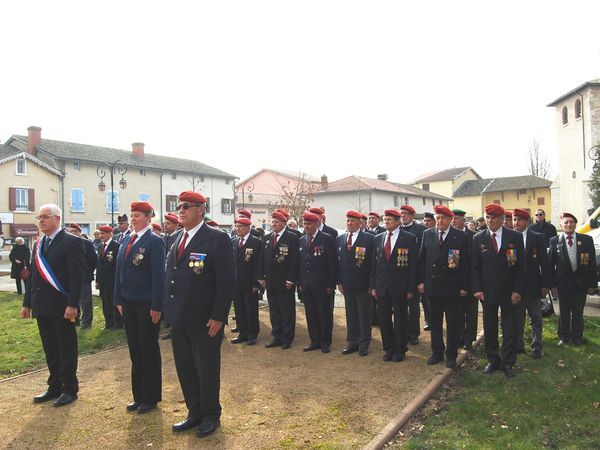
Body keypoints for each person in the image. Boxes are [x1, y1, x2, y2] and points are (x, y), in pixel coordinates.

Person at [165, 191, 235, 438]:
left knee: (206, 368)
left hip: (204, 320)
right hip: (179, 317)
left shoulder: (216, 238)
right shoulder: (177, 238)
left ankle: (211, 414)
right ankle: (194, 411)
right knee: (185, 368)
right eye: (179, 206)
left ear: (200, 210)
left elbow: (227, 281)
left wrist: (219, 316)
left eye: (186, 206)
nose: (180, 210)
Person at [22, 204, 85, 407]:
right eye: (39, 217)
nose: (41, 221)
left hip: (63, 305)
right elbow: (33, 276)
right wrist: (27, 303)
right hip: (42, 305)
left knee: (65, 347)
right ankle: (54, 385)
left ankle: (69, 388)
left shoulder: (71, 242)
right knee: (50, 347)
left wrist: (73, 305)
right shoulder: (39, 244)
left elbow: (77, 277)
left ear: (57, 218)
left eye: (45, 217)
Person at [114, 201, 165, 414]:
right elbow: (120, 271)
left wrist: (157, 305)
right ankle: (138, 395)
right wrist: (118, 298)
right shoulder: (126, 239)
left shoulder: (154, 241)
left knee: (148, 349)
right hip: (128, 302)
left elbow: (158, 276)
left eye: (137, 215)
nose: (133, 219)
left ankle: (150, 397)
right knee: (135, 350)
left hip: (146, 304)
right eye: (132, 215)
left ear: (148, 217)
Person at [472, 204, 526, 377]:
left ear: (502, 219)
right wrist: (477, 289)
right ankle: (493, 360)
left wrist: (518, 289)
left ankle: (508, 362)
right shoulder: (478, 238)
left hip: (509, 291)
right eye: (487, 217)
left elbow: (521, 266)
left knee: (509, 327)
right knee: (490, 327)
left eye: (494, 217)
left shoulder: (515, 237)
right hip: (487, 292)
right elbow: (475, 267)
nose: (490, 221)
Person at [418, 206, 470, 368]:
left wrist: (464, 286)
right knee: (435, 323)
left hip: (452, 288)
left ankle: (451, 354)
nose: (440, 221)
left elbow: (466, 264)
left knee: (453, 323)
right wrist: (420, 282)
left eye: (443, 218)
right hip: (432, 287)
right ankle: (437, 352)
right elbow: (421, 260)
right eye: (437, 218)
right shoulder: (427, 234)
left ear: (450, 220)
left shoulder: (460, 236)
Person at [370, 209, 418, 362]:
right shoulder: (378, 238)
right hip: (382, 286)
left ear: (398, 221)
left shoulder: (409, 238)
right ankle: (388, 348)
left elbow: (413, 266)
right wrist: (373, 286)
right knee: (383, 319)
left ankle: (400, 349)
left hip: (400, 286)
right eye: (385, 219)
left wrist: (411, 288)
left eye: (389, 219)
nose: (386, 222)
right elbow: (374, 264)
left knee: (400, 320)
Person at [548, 212, 597, 346]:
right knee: (563, 312)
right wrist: (552, 286)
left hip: (581, 283)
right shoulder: (555, 241)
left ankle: (577, 337)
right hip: (562, 284)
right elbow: (550, 266)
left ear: (575, 224)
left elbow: (592, 263)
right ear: (561, 225)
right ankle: (564, 337)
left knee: (578, 312)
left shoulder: (586, 240)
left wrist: (592, 284)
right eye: (566, 222)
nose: (569, 224)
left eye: (571, 222)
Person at [512, 209, 551, 358]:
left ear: (527, 222)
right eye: (514, 220)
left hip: (533, 285)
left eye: (519, 220)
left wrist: (545, 284)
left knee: (535, 318)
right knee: (517, 318)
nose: (516, 223)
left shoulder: (537, 237)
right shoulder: (509, 237)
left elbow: (544, 263)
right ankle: (518, 345)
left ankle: (537, 347)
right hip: (515, 287)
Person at [258, 211, 299, 349]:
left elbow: (295, 261)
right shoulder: (267, 238)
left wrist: (291, 280)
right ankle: (277, 335)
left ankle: (287, 338)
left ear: (283, 223)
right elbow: (262, 259)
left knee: (286, 310)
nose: (273, 224)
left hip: (285, 281)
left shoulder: (292, 238)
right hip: (270, 281)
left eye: (276, 222)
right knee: (274, 310)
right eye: (272, 222)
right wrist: (261, 277)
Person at [337, 210, 375, 356]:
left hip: (363, 284)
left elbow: (373, 264)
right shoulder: (340, 239)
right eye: (347, 220)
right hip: (347, 285)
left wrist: (371, 284)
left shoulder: (369, 239)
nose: (349, 223)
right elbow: (338, 263)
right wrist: (339, 281)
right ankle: (352, 341)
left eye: (353, 221)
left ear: (360, 223)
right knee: (351, 315)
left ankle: (364, 343)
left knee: (364, 315)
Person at [298, 212, 337, 353]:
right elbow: (300, 264)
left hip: (322, 285)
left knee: (324, 314)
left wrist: (331, 284)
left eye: (309, 224)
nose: (306, 226)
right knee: (311, 314)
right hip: (307, 285)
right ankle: (314, 340)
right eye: (304, 223)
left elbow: (332, 264)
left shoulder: (326, 239)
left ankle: (325, 342)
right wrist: (300, 284)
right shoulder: (301, 240)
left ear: (315, 224)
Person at [231, 217, 262, 345]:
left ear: (248, 227)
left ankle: (252, 334)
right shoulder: (234, 241)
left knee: (250, 309)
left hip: (250, 283)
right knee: (239, 309)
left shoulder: (256, 242)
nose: (238, 229)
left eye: (241, 226)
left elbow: (258, 264)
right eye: (237, 227)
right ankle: (242, 333)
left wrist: (256, 283)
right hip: (236, 282)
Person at [399, 204, 427, 345]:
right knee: (399, 307)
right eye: (401, 213)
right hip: (399, 275)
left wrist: (421, 278)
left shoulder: (421, 230)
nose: (403, 216)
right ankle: (402, 332)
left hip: (414, 273)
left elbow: (423, 255)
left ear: (412, 215)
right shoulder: (396, 229)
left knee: (413, 306)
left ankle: (413, 333)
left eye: (406, 213)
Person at [451, 208, 478, 350]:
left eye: (457, 219)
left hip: (472, 280)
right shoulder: (451, 236)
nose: (454, 221)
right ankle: (460, 337)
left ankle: (469, 339)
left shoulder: (474, 236)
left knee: (471, 313)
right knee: (457, 312)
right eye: (453, 218)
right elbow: (453, 262)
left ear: (464, 220)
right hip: (456, 280)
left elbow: (475, 262)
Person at [68, 223, 97, 329]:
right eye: (71, 231)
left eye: (75, 231)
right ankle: (75, 319)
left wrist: (88, 271)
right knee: (73, 299)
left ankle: (86, 322)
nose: (73, 233)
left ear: (80, 233)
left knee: (85, 301)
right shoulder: (67, 243)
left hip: (84, 277)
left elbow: (93, 260)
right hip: (70, 278)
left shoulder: (86, 243)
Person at [161, 213, 182, 340]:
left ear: (175, 225)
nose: (165, 225)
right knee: (167, 303)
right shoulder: (164, 239)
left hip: (175, 275)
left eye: (168, 223)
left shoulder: (178, 237)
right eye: (164, 223)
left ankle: (176, 328)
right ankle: (170, 327)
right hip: (165, 275)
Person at [96, 225, 121, 329]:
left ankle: (118, 323)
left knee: (114, 303)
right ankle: (108, 323)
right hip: (103, 281)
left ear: (110, 234)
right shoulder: (100, 246)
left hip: (112, 280)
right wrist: (97, 281)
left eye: (103, 233)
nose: (101, 236)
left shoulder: (116, 246)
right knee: (105, 303)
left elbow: (118, 265)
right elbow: (99, 265)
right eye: (100, 233)